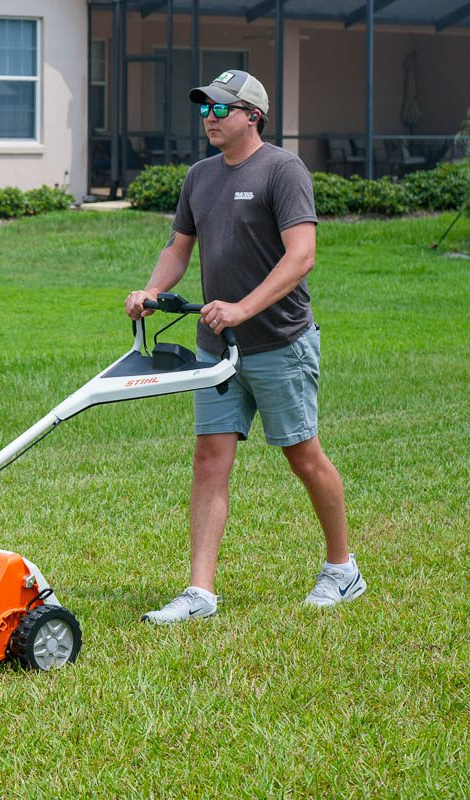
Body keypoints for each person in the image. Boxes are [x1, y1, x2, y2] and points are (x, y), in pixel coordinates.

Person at [124, 70, 365, 621]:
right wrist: (153, 290)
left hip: (279, 341)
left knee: (302, 455)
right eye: (204, 108)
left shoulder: (283, 170)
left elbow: (301, 256)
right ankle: (200, 592)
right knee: (210, 460)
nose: (208, 118)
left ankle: (342, 569)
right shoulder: (200, 177)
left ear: (252, 115)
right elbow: (178, 248)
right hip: (217, 348)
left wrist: (242, 308)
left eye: (219, 109)